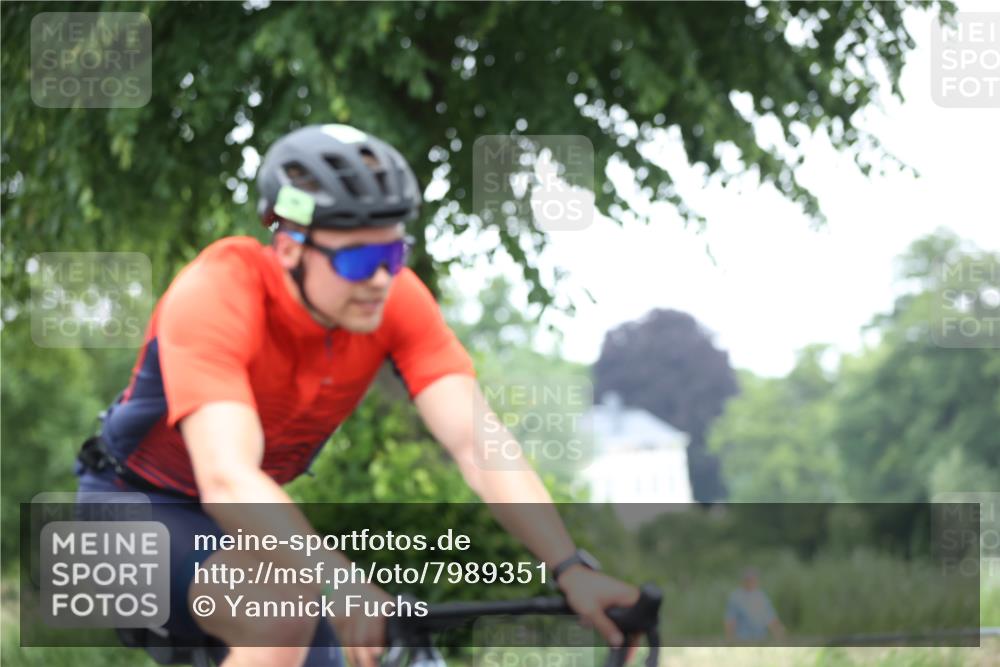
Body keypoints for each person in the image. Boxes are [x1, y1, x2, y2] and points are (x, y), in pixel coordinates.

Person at [75, 123, 639, 667]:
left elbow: (478, 444)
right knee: (283, 611)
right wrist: (338, 579)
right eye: (357, 260)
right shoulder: (220, 291)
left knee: (351, 644)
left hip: (238, 527)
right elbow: (227, 478)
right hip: (128, 512)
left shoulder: (395, 301)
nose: (380, 279)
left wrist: (570, 568)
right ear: (290, 246)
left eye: (393, 256)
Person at [724, 567, 786, 642]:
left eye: (753, 579)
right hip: (743, 638)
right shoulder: (736, 597)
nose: (751, 582)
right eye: (749, 580)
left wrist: (779, 633)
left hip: (760, 638)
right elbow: (730, 620)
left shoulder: (761, 596)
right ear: (744, 581)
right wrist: (729, 639)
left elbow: (770, 618)